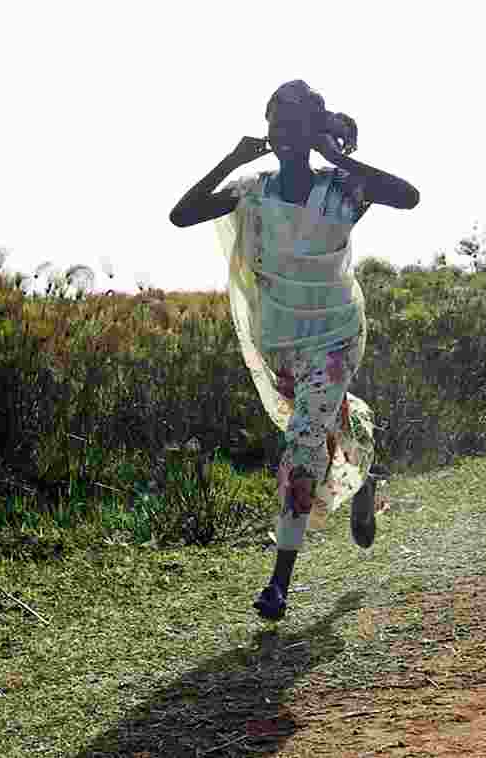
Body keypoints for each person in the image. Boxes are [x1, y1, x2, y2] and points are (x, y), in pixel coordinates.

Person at [169, 80, 419, 620]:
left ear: (313, 131)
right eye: (277, 124)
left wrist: (337, 155)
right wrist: (231, 159)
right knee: (319, 423)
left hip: (335, 335)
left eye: (297, 126)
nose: (285, 135)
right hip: (282, 338)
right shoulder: (254, 188)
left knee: (303, 440)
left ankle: (280, 581)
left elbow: (409, 195)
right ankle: (365, 475)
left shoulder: (344, 188)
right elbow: (181, 215)